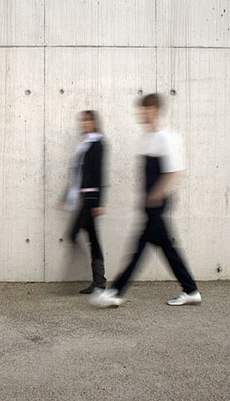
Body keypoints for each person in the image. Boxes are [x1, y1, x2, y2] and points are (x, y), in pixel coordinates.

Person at [90, 94, 201, 307]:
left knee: (139, 249)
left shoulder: (165, 137)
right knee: (166, 249)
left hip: (157, 202)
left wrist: (156, 195)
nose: (141, 113)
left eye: (145, 109)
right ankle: (191, 290)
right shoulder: (148, 138)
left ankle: (115, 292)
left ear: (155, 111)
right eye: (141, 110)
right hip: (150, 204)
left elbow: (175, 171)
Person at [60, 110, 107, 294]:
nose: (85, 124)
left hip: (91, 198)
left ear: (95, 123)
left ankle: (98, 281)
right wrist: (66, 198)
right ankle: (99, 282)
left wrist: (99, 202)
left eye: (89, 121)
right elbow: (76, 175)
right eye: (83, 121)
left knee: (73, 234)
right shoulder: (85, 145)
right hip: (82, 197)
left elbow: (100, 173)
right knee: (94, 239)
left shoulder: (98, 144)